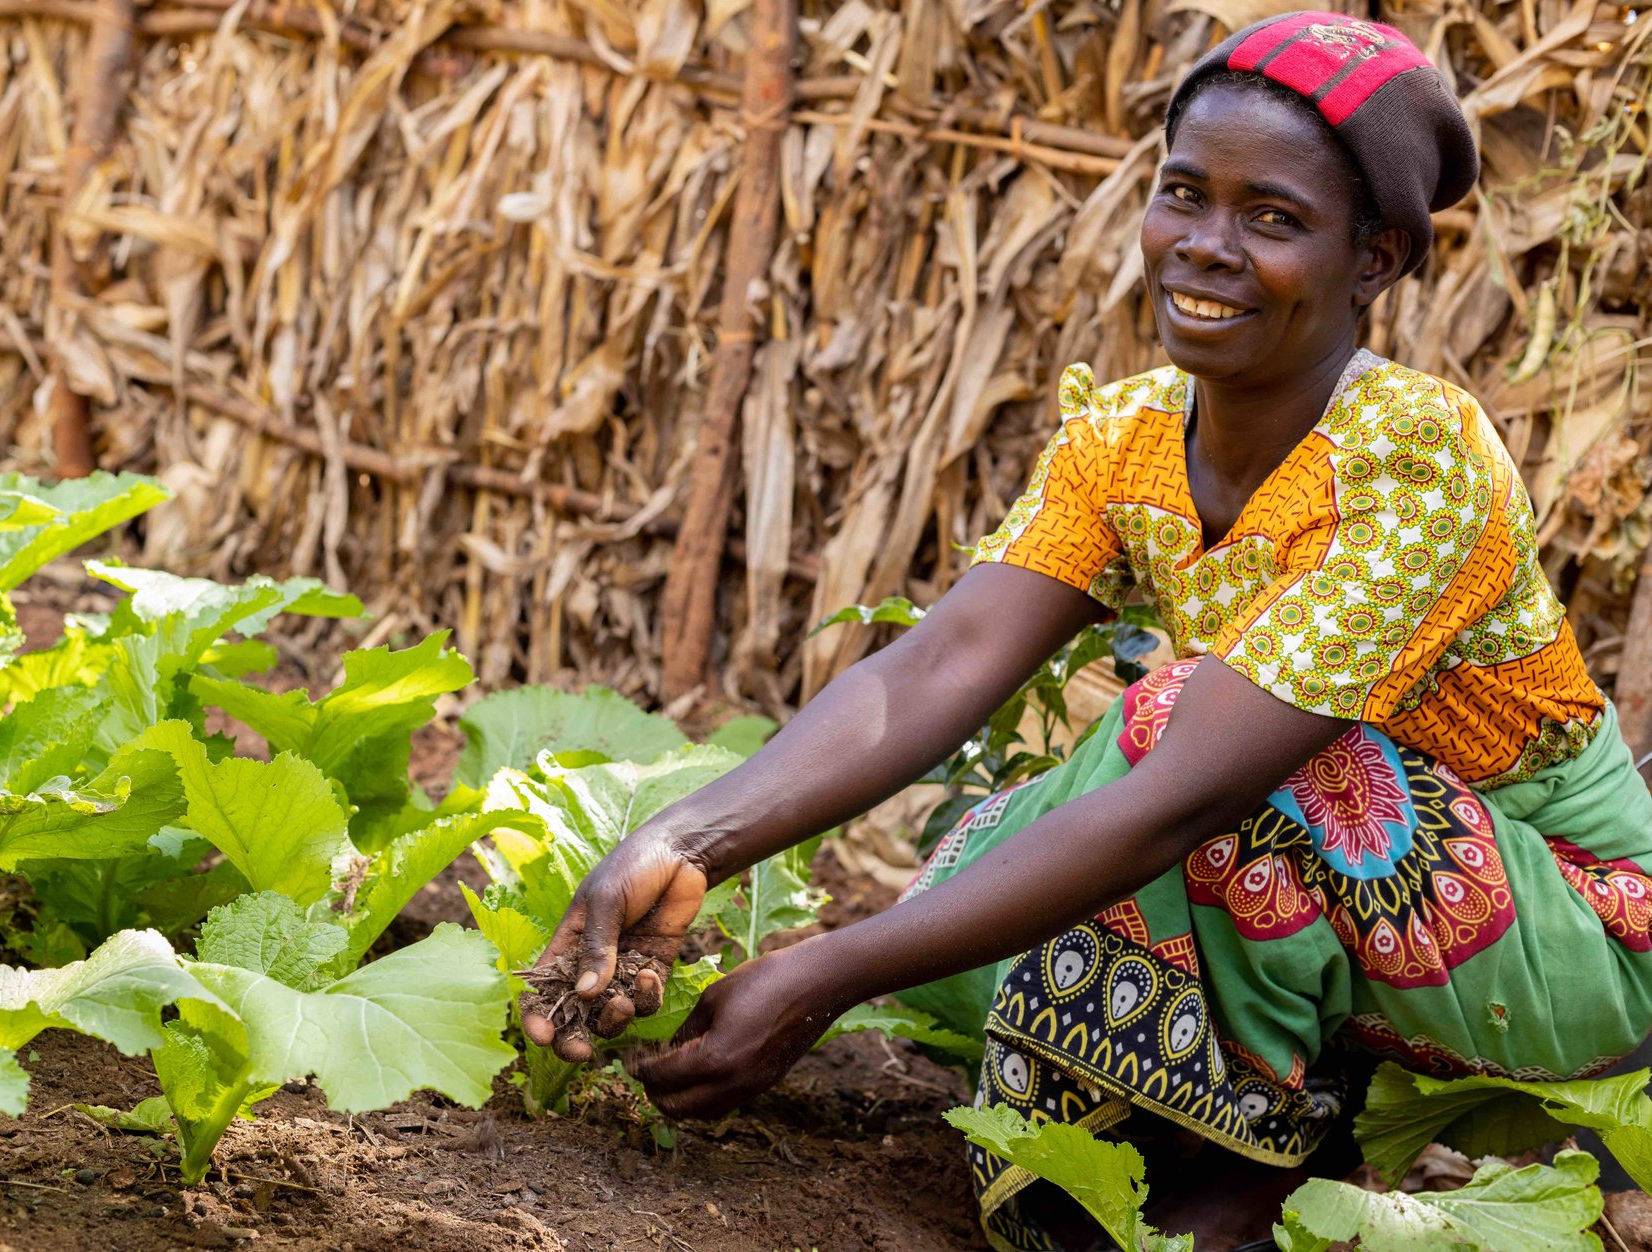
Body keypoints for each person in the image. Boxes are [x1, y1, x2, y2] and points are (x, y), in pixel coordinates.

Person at [521, 12, 1652, 1248]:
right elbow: (942, 664)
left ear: (1373, 259)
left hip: (1572, 922)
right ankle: (1250, 1086)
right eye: (1183, 197)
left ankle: (1232, 1176)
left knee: (1176, 749)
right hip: (1314, 859)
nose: (1205, 249)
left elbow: (1179, 797)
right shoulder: (1127, 435)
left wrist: (824, 972)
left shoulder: (1415, 458)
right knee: (986, 861)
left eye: (1271, 218)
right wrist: (689, 834)